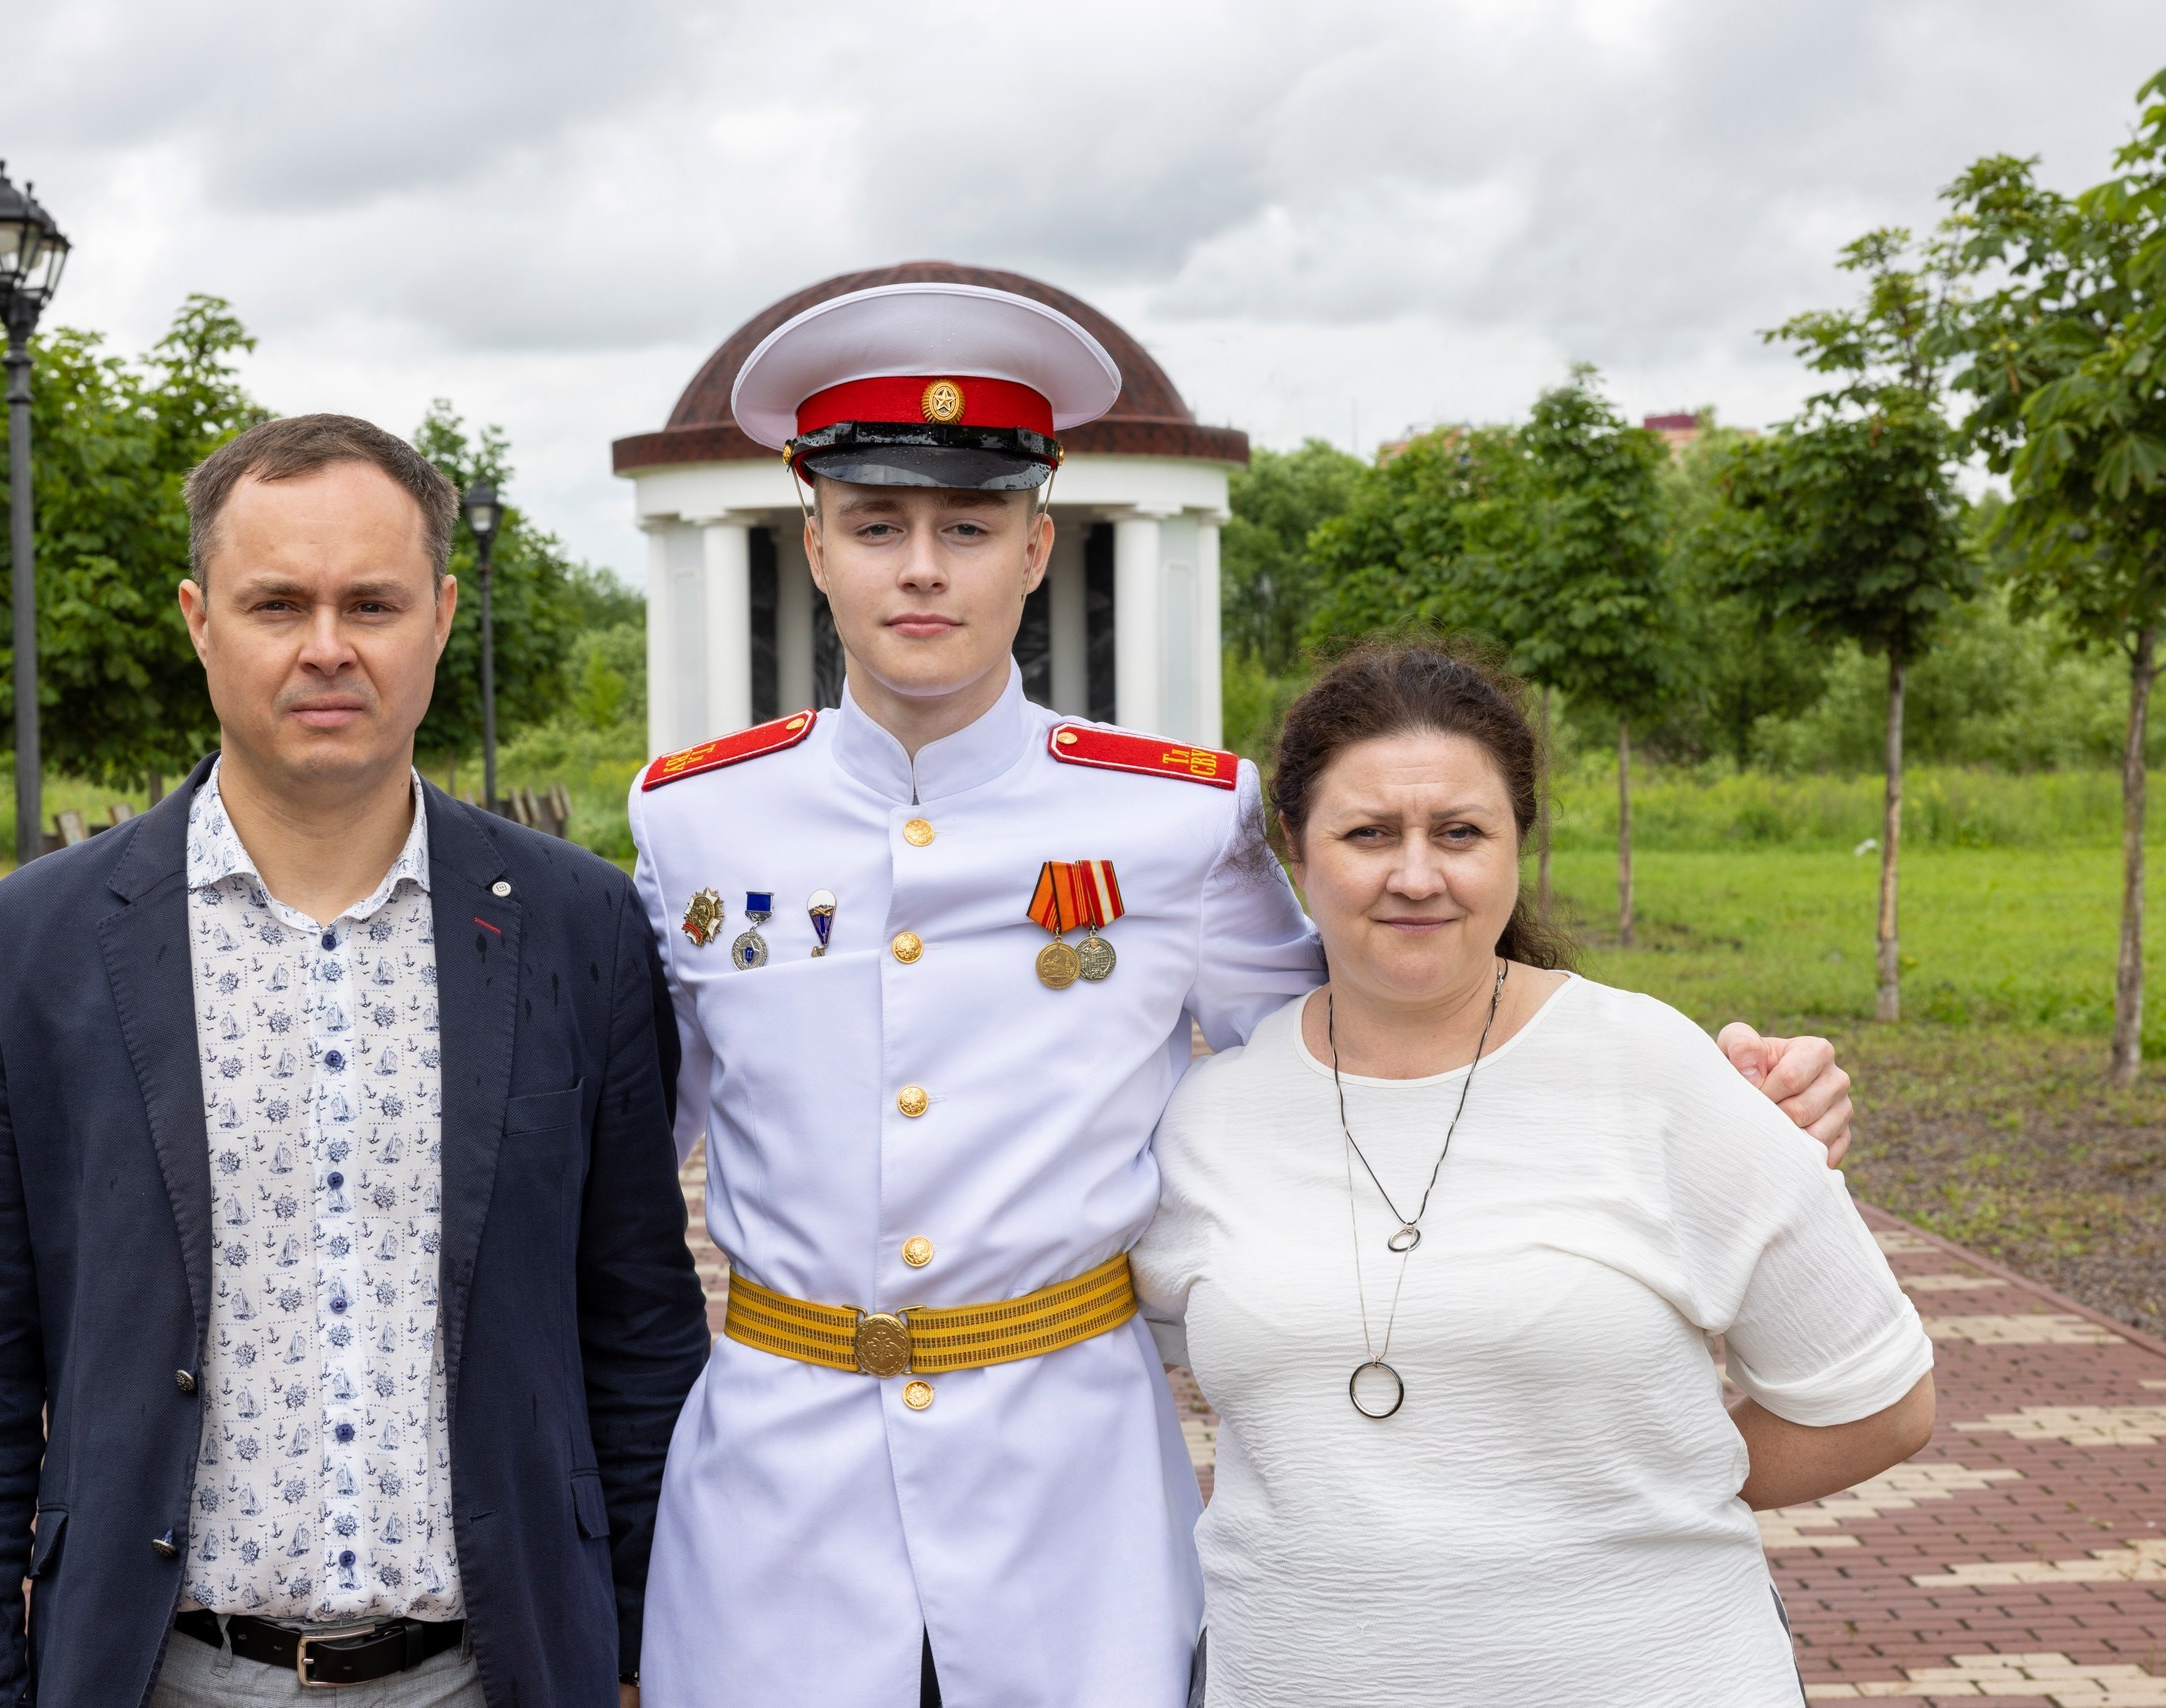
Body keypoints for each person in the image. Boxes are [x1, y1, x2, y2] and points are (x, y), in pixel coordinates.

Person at [624, 282, 1858, 1708]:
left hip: (1066, 1496)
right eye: (877, 524)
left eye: (966, 528)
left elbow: (1374, 1041)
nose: (922, 568)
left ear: (1036, 547)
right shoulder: (694, 819)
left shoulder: (1173, 820)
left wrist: (1691, 1099)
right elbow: (622, 1150)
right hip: (776, 1486)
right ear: (815, 545)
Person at [0, 414, 707, 1707]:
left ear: (440, 618)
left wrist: (646, 1652)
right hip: (162, 1671)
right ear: (198, 619)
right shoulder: (29, 949)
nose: (326, 647)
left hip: (496, 1672)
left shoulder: (578, 926)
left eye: (371, 603)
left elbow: (637, 1335)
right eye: (277, 602)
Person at [1134, 641, 1936, 1707]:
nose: (1415, 873)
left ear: (1518, 842)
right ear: (1294, 845)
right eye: (1368, 832)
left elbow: (1877, 1404)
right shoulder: (1202, 1120)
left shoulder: (1655, 1073)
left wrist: (1628, 1492)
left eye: (1458, 832)